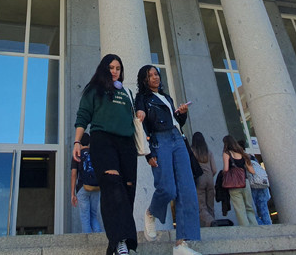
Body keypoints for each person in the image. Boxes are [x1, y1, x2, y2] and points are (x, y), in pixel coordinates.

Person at [73, 54, 138, 255]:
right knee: (112, 187)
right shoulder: (94, 90)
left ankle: (116, 245)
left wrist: (141, 113)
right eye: (111, 67)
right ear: (104, 68)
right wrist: (77, 141)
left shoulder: (126, 92)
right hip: (103, 140)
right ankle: (120, 241)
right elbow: (83, 116)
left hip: (127, 144)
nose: (115, 71)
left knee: (128, 191)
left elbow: (133, 117)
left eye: (118, 68)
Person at [135, 64, 201, 255]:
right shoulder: (142, 98)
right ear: (144, 79)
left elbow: (176, 123)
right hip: (159, 140)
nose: (155, 77)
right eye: (150, 75)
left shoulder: (167, 98)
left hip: (177, 139)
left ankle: (182, 243)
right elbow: (141, 126)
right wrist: (149, 155)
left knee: (187, 190)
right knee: (167, 188)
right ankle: (151, 212)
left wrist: (181, 114)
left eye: (156, 74)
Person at [70, 132, 103, 233]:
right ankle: (99, 239)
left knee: (85, 217)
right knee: (93, 216)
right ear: (89, 142)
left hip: (83, 187)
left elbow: (74, 174)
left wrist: (72, 193)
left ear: (79, 143)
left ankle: (87, 241)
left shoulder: (77, 154)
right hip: (96, 187)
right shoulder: (96, 154)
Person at [222, 136, 257, 226]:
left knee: (240, 209)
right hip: (245, 182)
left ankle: (246, 230)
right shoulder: (242, 153)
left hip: (234, 184)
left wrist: (223, 173)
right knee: (249, 207)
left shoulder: (227, 153)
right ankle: (254, 228)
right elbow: (252, 171)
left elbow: (226, 169)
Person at [190, 132, 217, 227]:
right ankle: (213, 224)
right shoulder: (208, 152)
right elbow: (215, 169)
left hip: (199, 179)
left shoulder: (192, 151)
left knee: (201, 207)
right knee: (210, 206)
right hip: (210, 178)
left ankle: (210, 221)